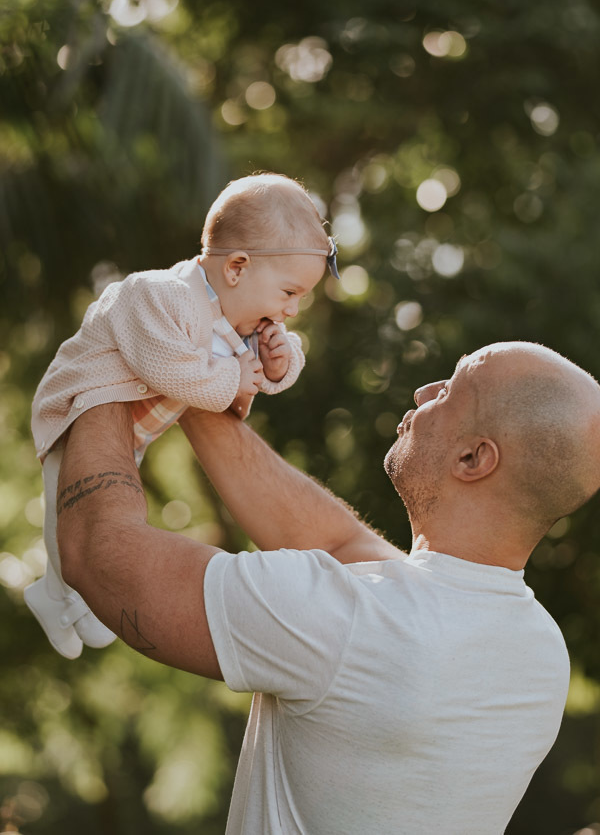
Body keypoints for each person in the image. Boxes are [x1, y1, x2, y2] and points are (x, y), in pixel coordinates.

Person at [54, 341, 600, 834]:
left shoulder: (351, 624)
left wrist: (117, 352)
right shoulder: (541, 653)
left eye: (451, 389)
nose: (424, 391)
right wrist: (196, 386)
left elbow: (97, 555)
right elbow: (340, 544)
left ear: (473, 458)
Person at [25, 172, 339, 660]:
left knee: (105, 514)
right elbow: (170, 369)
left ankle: (69, 591)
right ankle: (56, 592)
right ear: (236, 267)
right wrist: (233, 377)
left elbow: (262, 365)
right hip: (78, 407)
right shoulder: (159, 295)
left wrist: (280, 362)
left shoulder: (240, 319)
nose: (293, 310)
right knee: (66, 517)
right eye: (289, 292)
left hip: (129, 432)